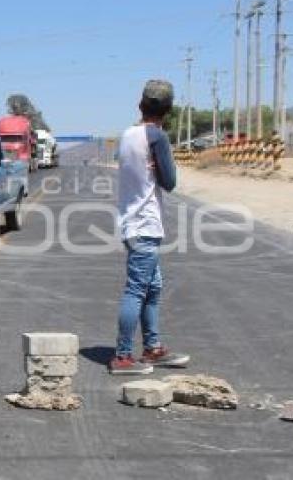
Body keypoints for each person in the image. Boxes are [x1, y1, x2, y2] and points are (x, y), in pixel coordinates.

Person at [109, 79, 190, 375]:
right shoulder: (157, 137)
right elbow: (169, 182)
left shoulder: (128, 134)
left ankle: (153, 348)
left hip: (131, 220)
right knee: (137, 290)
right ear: (167, 109)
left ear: (140, 104)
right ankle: (122, 357)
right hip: (146, 223)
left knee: (152, 288)